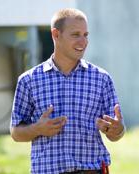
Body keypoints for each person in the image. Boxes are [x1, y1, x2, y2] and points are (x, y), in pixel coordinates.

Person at [10, 8, 125, 174]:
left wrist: (117, 129)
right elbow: (15, 132)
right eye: (76, 34)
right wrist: (37, 129)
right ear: (56, 35)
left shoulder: (102, 79)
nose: (83, 41)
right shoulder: (28, 81)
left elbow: (116, 133)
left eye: (86, 35)